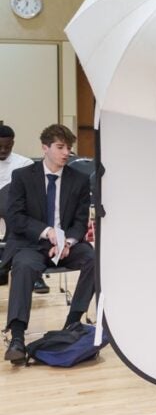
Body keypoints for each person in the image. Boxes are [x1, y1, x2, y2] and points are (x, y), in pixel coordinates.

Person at [3, 124, 98, 363]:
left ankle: (73, 321)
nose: (66, 152)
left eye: (69, 147)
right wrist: (48, 233)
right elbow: (16, 218)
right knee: (24, 267)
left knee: (93, 259)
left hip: (66, 244)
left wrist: (68, 241)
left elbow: (79, 219)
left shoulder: (79, 179)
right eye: (60, 147)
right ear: (45, 148)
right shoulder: (23, 176)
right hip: (31, 243)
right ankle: (16, 337)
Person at [0, 123, 34, 287]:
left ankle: (5, 265)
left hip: (13, 210)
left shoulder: (24, 163)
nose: (3, 150)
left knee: (11, 197)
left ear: (13, 143)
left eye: (7, 146)